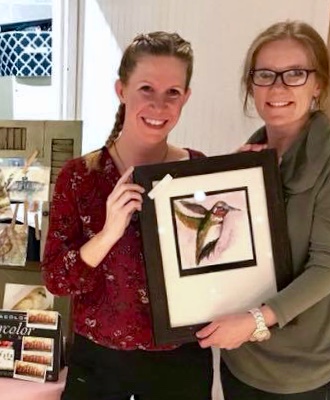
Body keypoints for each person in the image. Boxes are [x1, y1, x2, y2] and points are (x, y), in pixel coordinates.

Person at [196, 20, 330, 399]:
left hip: (308, 373)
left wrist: (256, 320)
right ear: (251, 85)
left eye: (295, 74)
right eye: (265, 75)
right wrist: (230, 185)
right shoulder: (247, 159)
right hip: (243, 361)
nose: (277, 88)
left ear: (318, 84)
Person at [42, 31, 213, 400]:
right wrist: (107, 235)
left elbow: (219, 264)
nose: (159, 105)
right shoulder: (80, 177)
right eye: (146, 89)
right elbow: (56, 279)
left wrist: (251, 178)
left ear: (186, 97)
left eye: (172, 92)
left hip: (180, 361)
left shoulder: (198, 171)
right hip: (98, 362)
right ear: (121, 90)